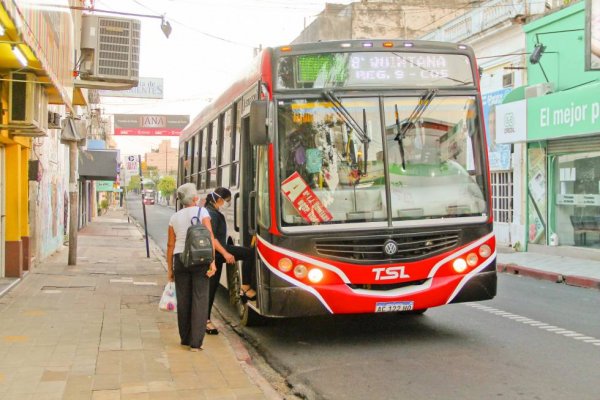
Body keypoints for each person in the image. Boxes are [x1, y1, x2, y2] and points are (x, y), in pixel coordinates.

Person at [166, 183, 217, 351]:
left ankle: (185, 338)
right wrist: (213, 261)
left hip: (180, 259)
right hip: (200, 259)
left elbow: (170, 245)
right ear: (194, 197)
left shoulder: (174, 217)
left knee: (184, 300)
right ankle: (196, 343)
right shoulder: (202, 212)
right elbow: (209, 236)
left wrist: (170, 269)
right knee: (200, 299)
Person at [204, 187, 256, 335]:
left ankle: (205, 320)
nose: (227, 203)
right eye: (227, 201)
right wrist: (225, 253)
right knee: (249, 254)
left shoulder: (211, 210)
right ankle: (245, 287)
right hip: (216, 253)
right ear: (219, 199)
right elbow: (212, 238)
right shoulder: (211, 214)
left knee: (211, 288)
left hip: (216, 253)